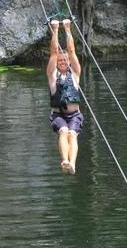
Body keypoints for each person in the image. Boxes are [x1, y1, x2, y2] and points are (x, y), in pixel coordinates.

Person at [47, 19, 84, 175]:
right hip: (58, 115)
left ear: (68, 62)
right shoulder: (52, 76)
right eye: (60, 61)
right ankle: (65, 161)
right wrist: (55, 29)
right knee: (63, 131)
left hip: (75, 115)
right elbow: (54, 53)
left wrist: (68, 29)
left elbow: (72, 51)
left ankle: (72, 164)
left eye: (65, 60)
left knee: (72, 134)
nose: (62, 62)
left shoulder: (75, 75)